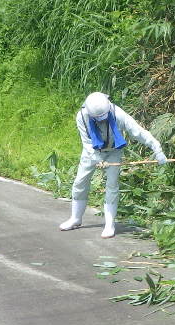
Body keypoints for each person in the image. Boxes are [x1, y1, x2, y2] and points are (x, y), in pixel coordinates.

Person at [59, 92, 167, 238]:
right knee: (80, 182)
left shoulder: (117, 114)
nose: (101, 120)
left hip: (113, 151)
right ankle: (75, 218)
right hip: (91, 152)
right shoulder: (81, 117)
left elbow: (138, 132)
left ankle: (109, 225)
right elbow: (87, 143)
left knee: (112, 185)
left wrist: (157, 148)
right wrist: (98, 159)